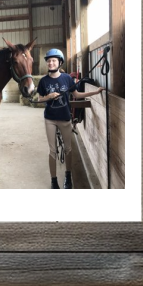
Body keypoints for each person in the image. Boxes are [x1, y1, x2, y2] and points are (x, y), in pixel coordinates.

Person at [36, 49, 105, 189]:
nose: (51, 63)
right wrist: (48, 97)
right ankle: (53, 180)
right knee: (52, 150)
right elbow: (38, 99)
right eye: (49, 61)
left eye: (54, 60)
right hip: (50, 119)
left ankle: (68, 176)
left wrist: (95, 92)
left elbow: (77, 95)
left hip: (65, 119)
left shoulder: (67, 78)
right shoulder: (43, 81)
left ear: (59, 62)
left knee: (68, 148)